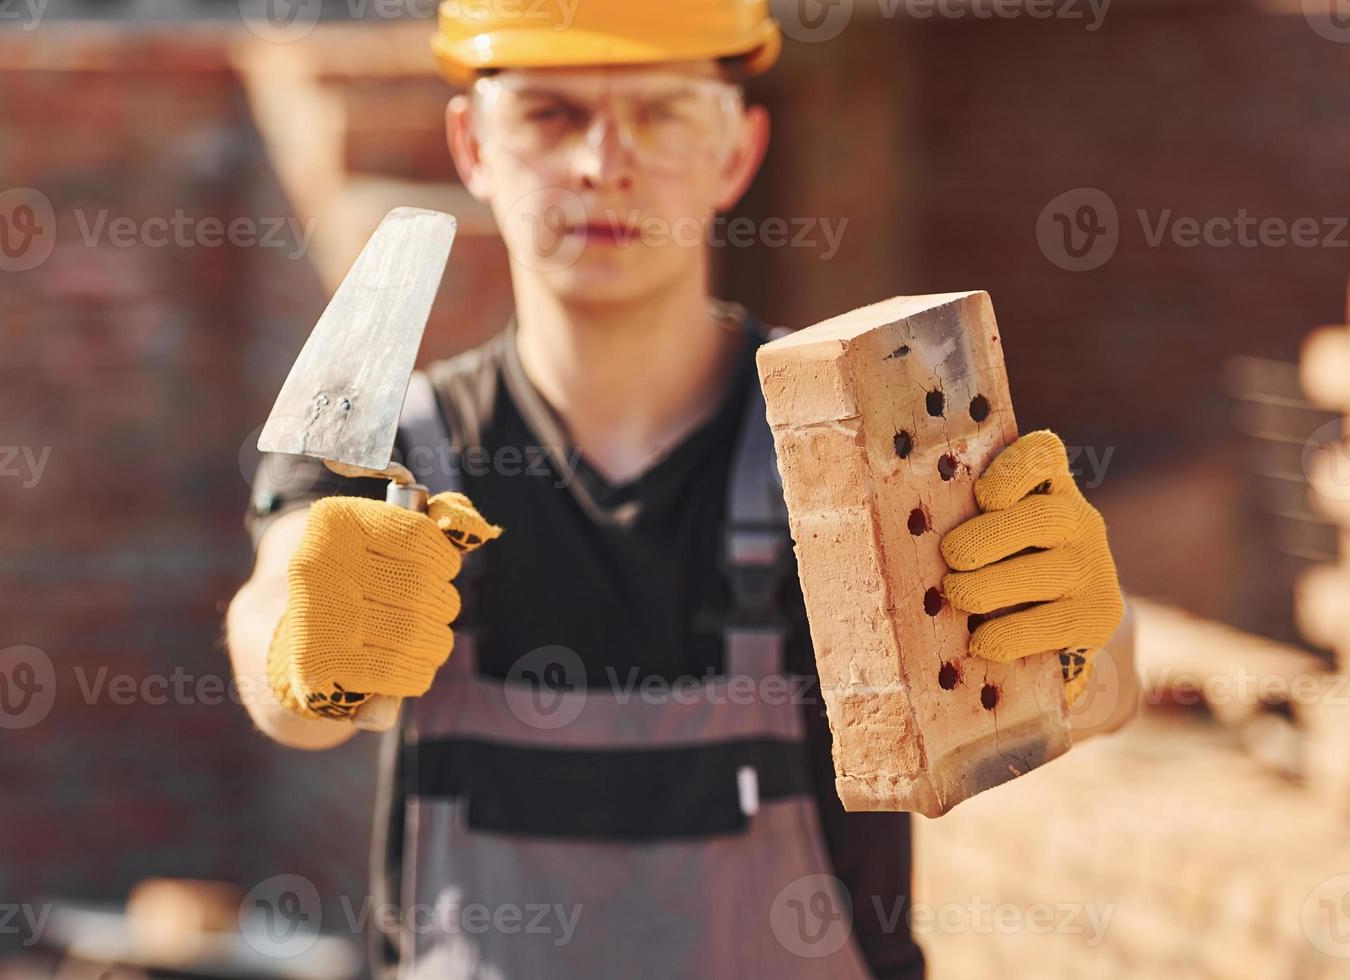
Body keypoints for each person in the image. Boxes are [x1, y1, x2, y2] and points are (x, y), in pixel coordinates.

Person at [225, 1, 1137, 976]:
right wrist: (300, 651)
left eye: (662, 114)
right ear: (472, 144)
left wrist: (1082, 639)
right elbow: (275, 631)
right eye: (548, 114)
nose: (602, 163)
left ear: (738, 152)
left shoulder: (862, 436)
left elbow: (1103, 685)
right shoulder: (390, 454)